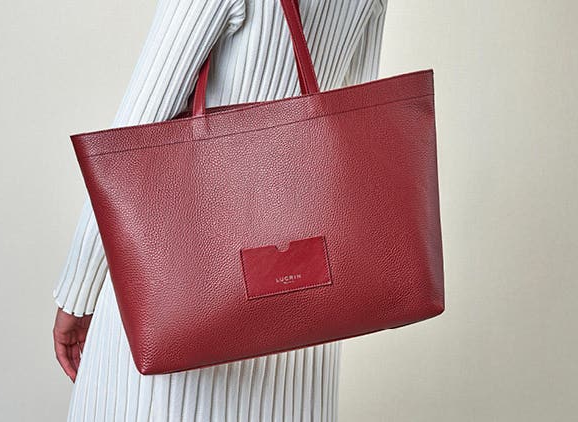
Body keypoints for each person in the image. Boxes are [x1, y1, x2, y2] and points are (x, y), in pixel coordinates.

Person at [52, 0, 388, 420]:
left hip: (186, 292)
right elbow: (353, 109)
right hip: (305, 302)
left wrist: (78, 290)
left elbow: (134, 135)